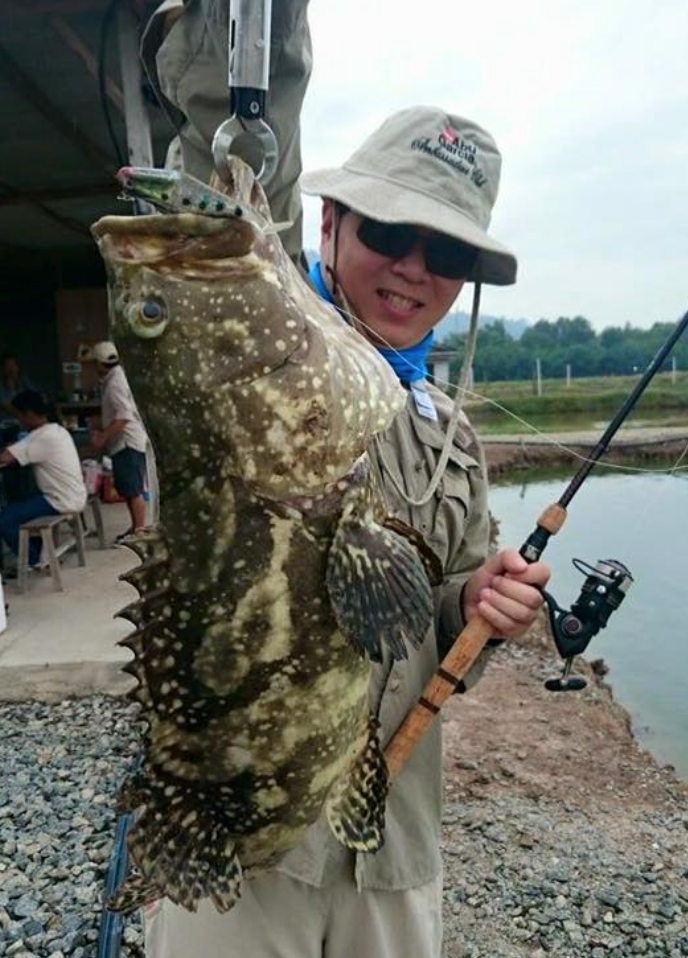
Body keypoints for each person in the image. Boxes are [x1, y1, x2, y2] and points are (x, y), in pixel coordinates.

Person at [141, 8, 550, 957]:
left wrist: (476, 608)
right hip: (238, 831)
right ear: (329, 223)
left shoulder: (454, 441)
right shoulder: (264, 348)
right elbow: (227, 178)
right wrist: (249, 31)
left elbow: (443, 638)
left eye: (447, 254)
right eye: (391, 232)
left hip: (393, 843)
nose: (413, 269)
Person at [0, 391, 87, 570]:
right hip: (74, 494)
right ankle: (39, 551)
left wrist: (10, 450)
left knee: (5, 519)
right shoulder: (56, 430)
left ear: (29, 414)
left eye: (19, 416)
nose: (19, 421)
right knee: (22, 504)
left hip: (60, 500)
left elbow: (4, 458)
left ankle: (33, 562)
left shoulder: (41, 437)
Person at [90, 342, 150, 542]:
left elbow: (123, 416)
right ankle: (135, 527)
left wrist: (103, 436)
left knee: (133, 490)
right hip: (124, 442)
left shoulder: (115, 382)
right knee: (127, 489)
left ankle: (139, 531)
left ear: (99, 363)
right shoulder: (115, 377)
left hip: (127, 442)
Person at [0, 354, 38, 421]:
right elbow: (6, 406)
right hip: (6, 422)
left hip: (26, 420)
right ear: (3, 368)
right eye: (8, 366)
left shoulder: (24, 381)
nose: (11, 369)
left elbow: (36, 397)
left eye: (13, 365)